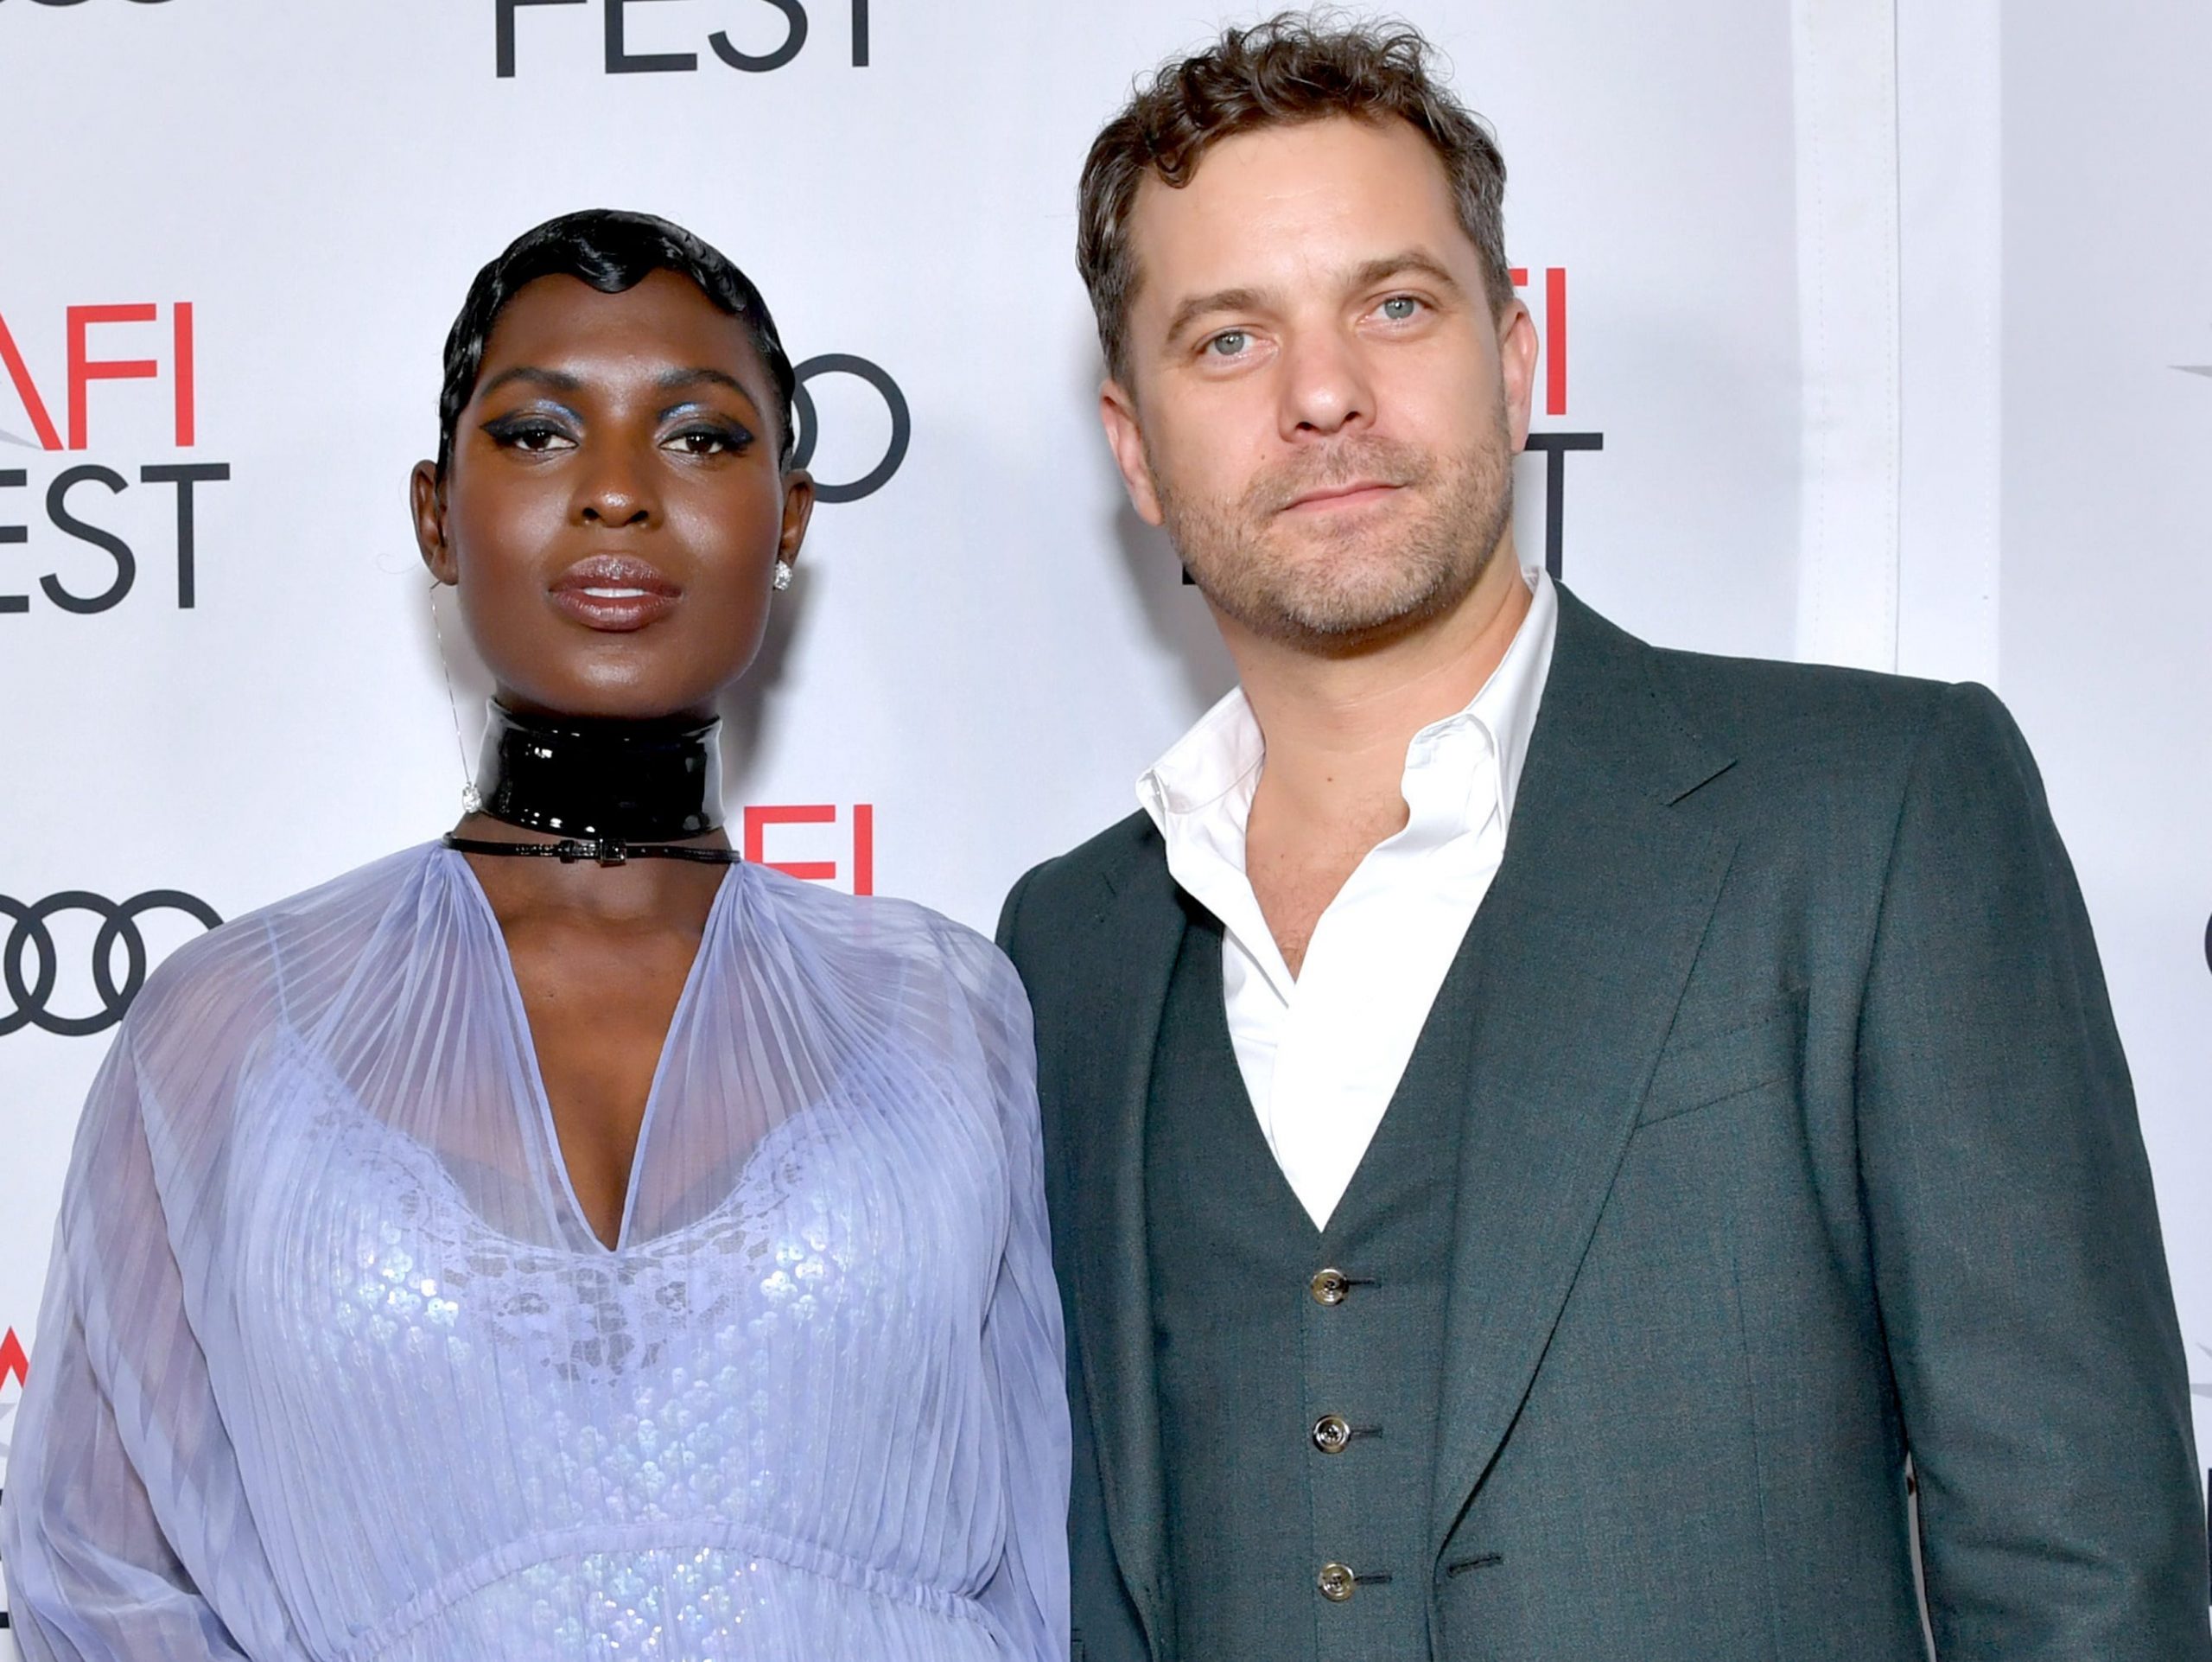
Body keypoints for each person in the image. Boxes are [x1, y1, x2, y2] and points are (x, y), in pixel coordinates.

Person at [995, 17, 2209, 1662]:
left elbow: (2083, 1566)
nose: (1325, 393)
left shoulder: (1877, 807)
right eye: (1227, 340)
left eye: (1395, 304)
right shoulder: (1068, 945)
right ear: (1134, 447)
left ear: (1515, 356)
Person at [1, 210, 1069, 1662]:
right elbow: (99, 1582)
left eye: (698, 438)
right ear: (437, 516)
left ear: (792, 519)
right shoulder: (225, 1031)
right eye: (538, 435)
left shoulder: (948, 1009)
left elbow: (1047, 1574)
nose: (618, 495)